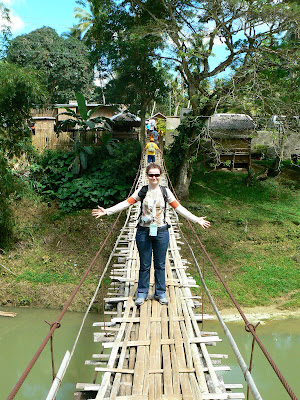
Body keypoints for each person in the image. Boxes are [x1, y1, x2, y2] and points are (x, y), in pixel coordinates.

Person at [92, 162, 211, 307]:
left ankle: (160, 293)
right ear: (147, 176)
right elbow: (126, 203)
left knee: (160, 264)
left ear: (161, 176)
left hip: (161, 232)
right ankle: (142, 292)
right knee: (145, 264)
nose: (154, 177)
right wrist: (107, 211)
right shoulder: (142, 191)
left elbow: (179, 208)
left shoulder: (166, 192)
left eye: (156, 175)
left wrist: (196, 219)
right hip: (143, 232)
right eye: (151, 175)